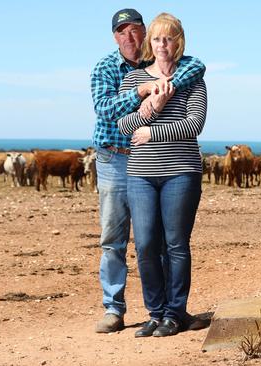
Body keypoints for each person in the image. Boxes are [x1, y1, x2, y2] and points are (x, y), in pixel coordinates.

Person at [90, 8, 205, 333]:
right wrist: (145, 95)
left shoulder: (182, 68)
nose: (130, 37)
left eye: (136, 30)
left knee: (169, 241)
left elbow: (198, 71)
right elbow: (108, 111)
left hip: (163, 159)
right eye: (122, 31)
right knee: (119, 238)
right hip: (116, 157)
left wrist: (164, 87)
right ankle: (116, 309)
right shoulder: (110, 69)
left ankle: (173, 312)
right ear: (115, 36)